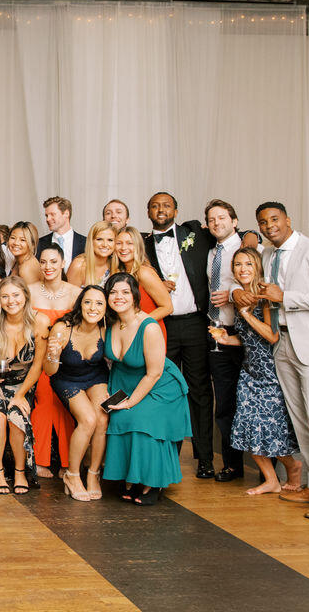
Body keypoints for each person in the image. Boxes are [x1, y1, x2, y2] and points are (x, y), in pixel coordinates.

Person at [241, 202, 309, 519]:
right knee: (300, 422)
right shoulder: (268, 255)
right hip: (283, 343)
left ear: (288, 220)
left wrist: (285, 297)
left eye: (274, 219)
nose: (269, 226)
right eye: (263, 222)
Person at [210, 247, 302, 496]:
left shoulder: (265, 297)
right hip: (249, 371)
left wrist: (246, 315)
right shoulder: (240, 298)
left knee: (270, 428)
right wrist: (228, 340)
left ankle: (293, 467)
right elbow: (248, 339)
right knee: (247, 426)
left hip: (270, 373)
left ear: (258, 267)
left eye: (248, 264)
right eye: (238, 265)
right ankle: (271, 480)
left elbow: (272, 336)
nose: (243, 269)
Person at [142, 191, 216, 480]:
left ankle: (205, 458)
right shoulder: (141, 245)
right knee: (163, 390)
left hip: (195, 323)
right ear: (148, 212)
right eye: (155, 206)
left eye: (166, 205)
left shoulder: (196, 234)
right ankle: (166, 457)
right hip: (162, 326)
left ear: (176, 210)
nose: (161, 210)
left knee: (199, 391)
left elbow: (230, 236)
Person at [102, 272, 192, 505]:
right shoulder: (110, 323)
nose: (118, 297)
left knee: (139, 418)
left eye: (125, 292)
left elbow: (154, 373)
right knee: (116, 417)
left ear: (135, 296)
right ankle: (133, 477)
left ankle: (153, 481)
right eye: (113, 292)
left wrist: (130, 402)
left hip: (160, 387)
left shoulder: (148, 326)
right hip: (125, 384)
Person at [0, 277, 48, 495]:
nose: (11, 301)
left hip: (23, 385)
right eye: (5, 296)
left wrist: (21, 395)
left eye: (16, 295)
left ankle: (19, 471)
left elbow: (38, 365)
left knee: (17, 417)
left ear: (25, 296)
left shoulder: (40, 322)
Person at [42, 285, 110, 501]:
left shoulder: (106, 328)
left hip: (95, 376)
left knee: (102, 418)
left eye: (99, 303)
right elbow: (49, 371)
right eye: (88, 302)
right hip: (66, 378)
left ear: (105, 308)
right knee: (88, 420)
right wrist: (53, 354)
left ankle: (93, 474)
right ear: (80, 305)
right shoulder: (62, 328)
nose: (93, 308)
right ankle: (72, 475)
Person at [28, 243, 81, 480]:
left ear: (62, 264)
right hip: (38, 357)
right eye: (43, 262)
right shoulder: (29, 290)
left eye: (53, 261)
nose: (47, 266)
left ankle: (68, 462)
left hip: (67, 359)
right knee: (44, 401)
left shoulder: (75, 293)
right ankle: (39, 461)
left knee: (65, 403)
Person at [203, 200, 245, 482]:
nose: (217, 223)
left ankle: (270, 465)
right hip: (217, 333)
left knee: (253, 399)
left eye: (222, 217)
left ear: (235, 221)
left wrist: (231, 295)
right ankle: (232, 464)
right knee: (225, 403)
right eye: (212, 219)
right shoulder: (211, 252)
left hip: (244, 334)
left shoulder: (248, 249)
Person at [112, 226, 173, 336]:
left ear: (138, 246)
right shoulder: (119, 273)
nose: (123, 248)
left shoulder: (143, 272)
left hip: (147, 332)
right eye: (119, 243)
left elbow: (167, 307)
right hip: (126, 332)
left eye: (129, 243)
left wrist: (137, 324)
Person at [37, 196, 85, 269]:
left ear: (66, 213)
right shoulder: (39, 244)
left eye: (52, 214)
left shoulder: (86, 243)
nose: (48, 219)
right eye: (46, 216)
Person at [69, 221, 116, 288]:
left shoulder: (114, 265)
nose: (105, 244)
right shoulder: (79, 265)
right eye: (99, 239)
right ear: (91, 241)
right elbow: (68, 293)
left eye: (110, 240)